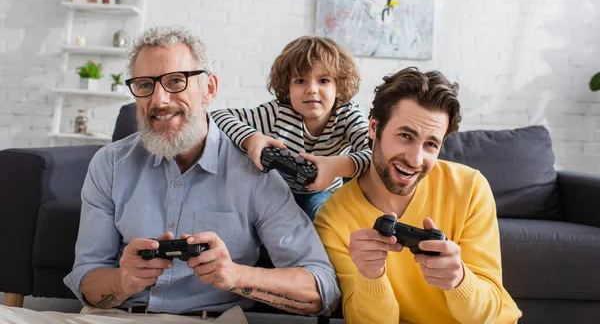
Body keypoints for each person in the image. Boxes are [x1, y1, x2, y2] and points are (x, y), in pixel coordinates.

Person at [0, 26, 340, 323]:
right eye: (145, 85)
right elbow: (87, 280)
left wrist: (234, 276)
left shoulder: (255, 171)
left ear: (209, 89)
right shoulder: (111, 163)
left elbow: (321, 289)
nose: (159, 99)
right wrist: (124, 280)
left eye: (176, 81)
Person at [313, 67, 522, 323]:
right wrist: (371, 276)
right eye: (405, 136)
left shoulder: (470, 188)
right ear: (374, 127)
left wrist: (459, 281)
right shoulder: (332, 219)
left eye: (431, 144)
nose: (415, 159)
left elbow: (487, 314)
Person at [211, 36, 371, 220]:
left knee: (325, 216)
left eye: (324, 80)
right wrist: (252, 138)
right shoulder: (277, 113)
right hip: (278, 191)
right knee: (256, 217)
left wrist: (336, 166)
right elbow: (217, 117)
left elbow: (374, 154)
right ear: (287, 88)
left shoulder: (347, 116)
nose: (312, 89)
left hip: (323, 194)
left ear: (339, 87)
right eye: (300, 81)